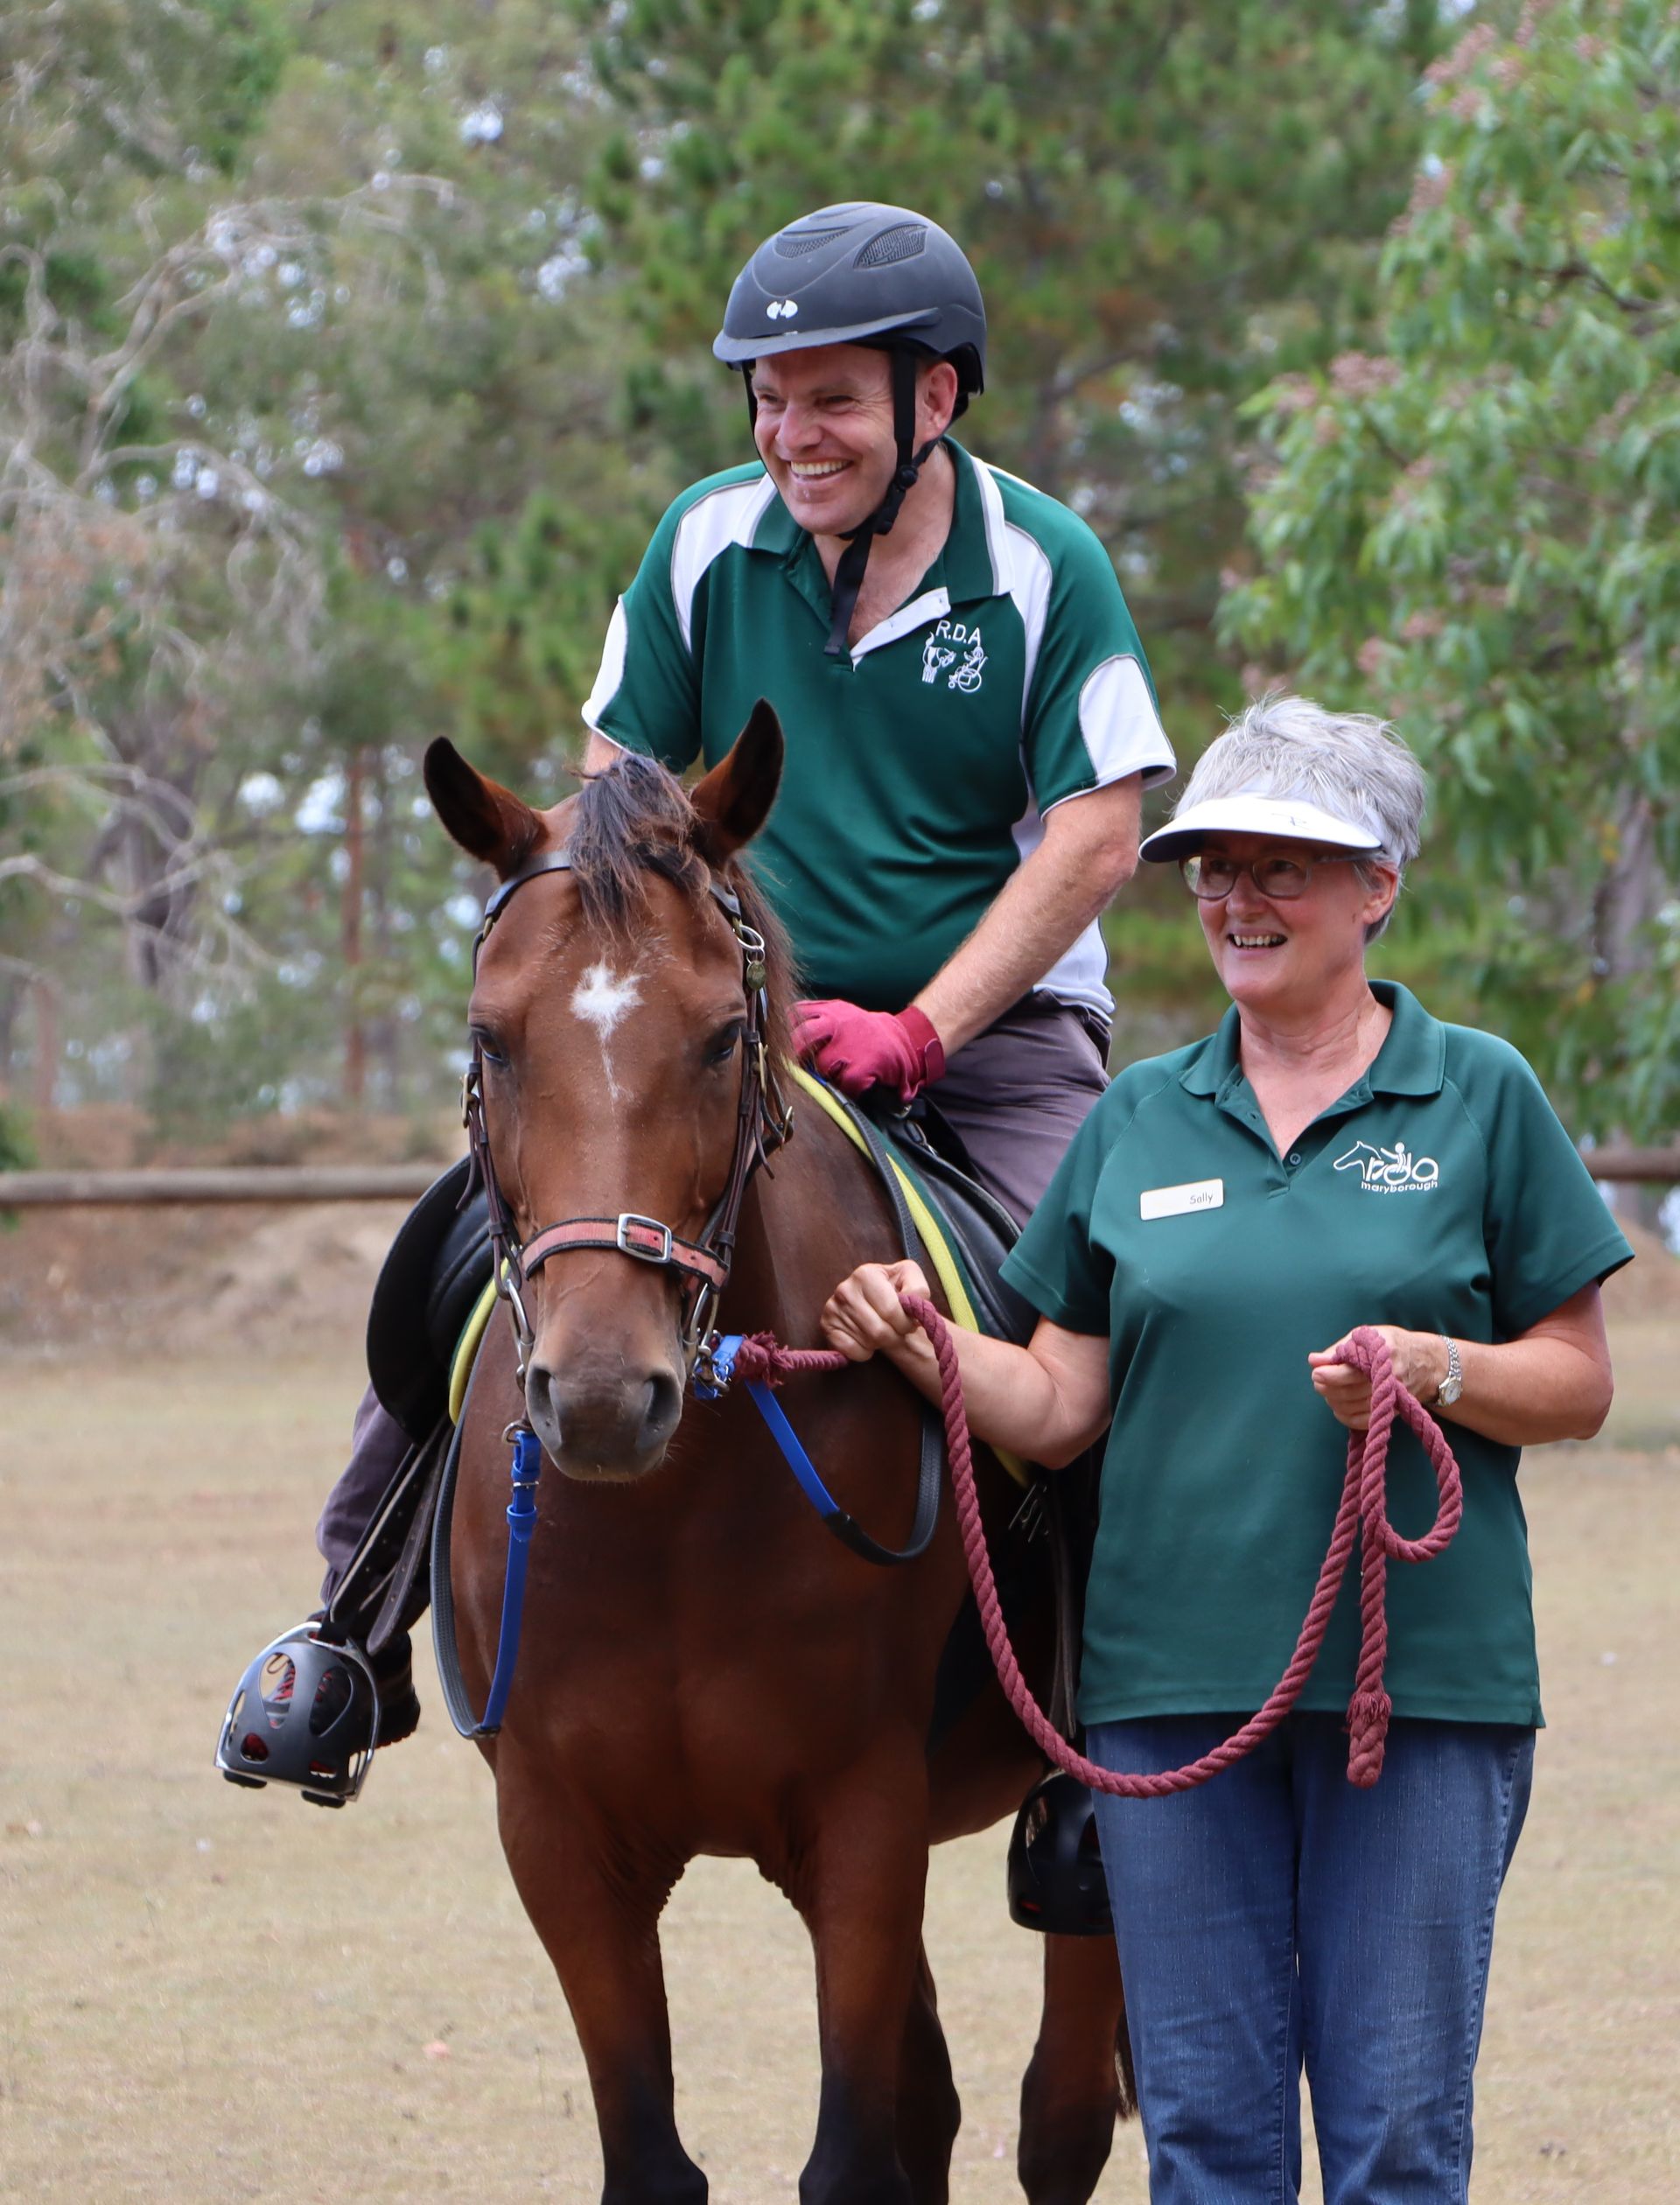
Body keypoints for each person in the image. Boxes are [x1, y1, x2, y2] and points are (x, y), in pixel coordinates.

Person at [247, 200, 1177, 1759]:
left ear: (930, 399)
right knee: (459, 1256)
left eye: (832, 399)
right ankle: (347, 1632)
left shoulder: (1042, 565)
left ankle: (1104, 1731)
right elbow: (622, 794)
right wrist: (663, 988)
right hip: (717, 1026)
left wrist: (923, 1026)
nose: (791, 433)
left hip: (995, 1039)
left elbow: (1098, 833)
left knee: (1098, 1317)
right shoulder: (699, 540)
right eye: (768, 395)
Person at [821, 693, 1633, 2204]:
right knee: (1206, 2147)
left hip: (1422, 1697)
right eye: (1212, 870)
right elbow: (1062, 1405)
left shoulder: (1481, 1095)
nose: (1236, 902)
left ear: (1377, 886)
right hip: (1172, 1705)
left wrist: (1433, 1366)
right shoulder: (1138, 1120)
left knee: (1395, 2143)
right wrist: (928, 1340)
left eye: (1283, 869)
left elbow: (1579, 1380)